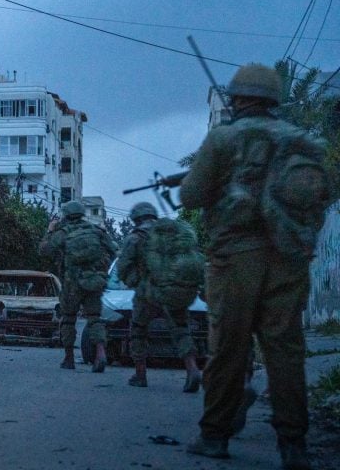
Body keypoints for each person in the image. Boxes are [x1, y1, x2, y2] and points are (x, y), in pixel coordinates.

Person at [181, 63, 331, 469]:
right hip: (289, 257)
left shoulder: (224, 138)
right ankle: (293, 445)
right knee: (285, 350)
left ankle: (214, 435)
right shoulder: (299, 140)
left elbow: (191, 196)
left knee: (229, 348)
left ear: (237, 98)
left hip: (236, 258)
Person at [117, 202, 203, 392]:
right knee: (181, 329)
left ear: (136, 218)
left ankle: (140, 374)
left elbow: (123, 267)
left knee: (138, 330)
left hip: (147, 294)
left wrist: (135, 282)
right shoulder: (172, 234)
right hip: (173, 290)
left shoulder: (135, 237)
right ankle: (192, 368)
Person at [39, 200, 116, 372]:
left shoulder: (63, 232)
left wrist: (50, 231)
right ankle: (100, 353)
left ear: (66, 215)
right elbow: (113, 250)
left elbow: (44, 250)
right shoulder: (96, 231)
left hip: (72, 283)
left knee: (68, 319)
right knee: (95, 318)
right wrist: (102, 271)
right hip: (94, 282)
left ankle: (69, 358)